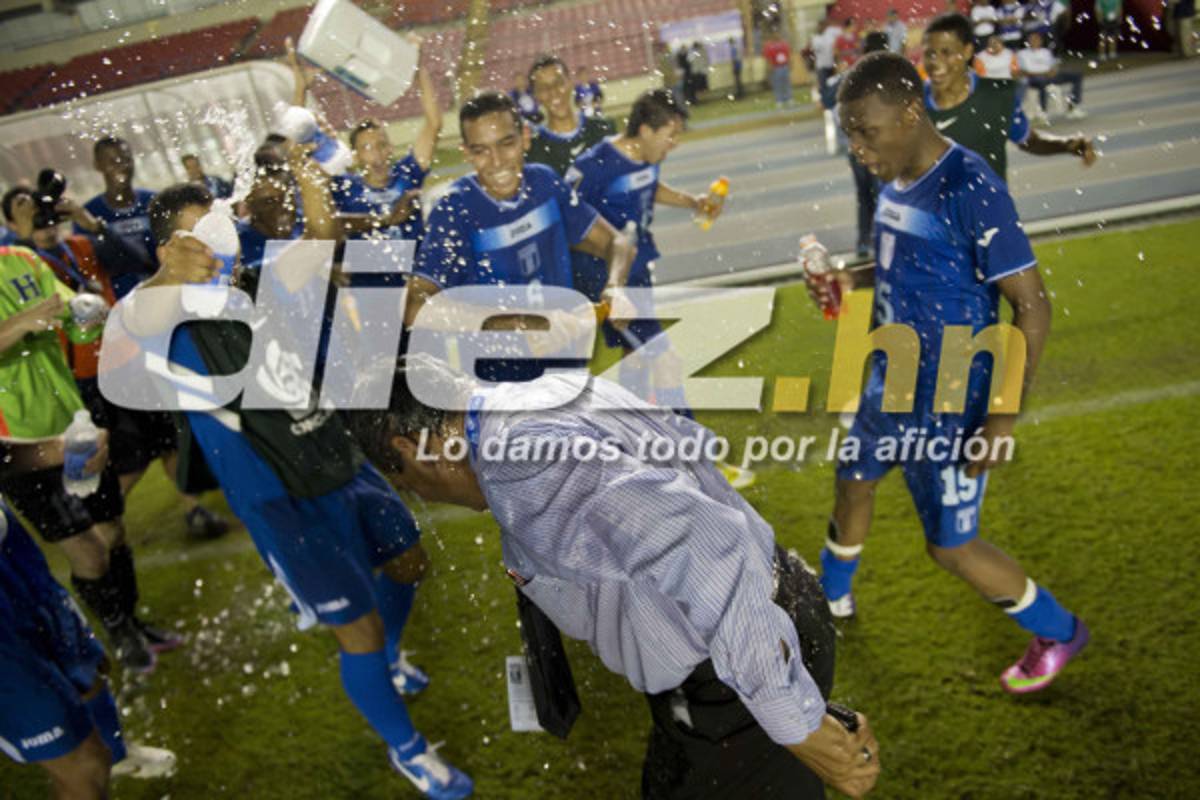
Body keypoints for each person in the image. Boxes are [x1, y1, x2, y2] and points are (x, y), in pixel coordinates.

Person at [346, 355, 882, 799]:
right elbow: (687, 447)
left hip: (729, 678)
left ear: (411, 450)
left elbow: (707, 548)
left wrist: (794, 721)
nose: (417, 496)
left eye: (403, 483)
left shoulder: (519, 468)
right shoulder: (544, 390)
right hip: (761, 621)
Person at [109, 175, 474, 799]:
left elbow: (322, 239)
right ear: (169, 246)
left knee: (410, 564)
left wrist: (306, 176)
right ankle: (408, 750)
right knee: (356, 630)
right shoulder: (158, 318)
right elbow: (131, 317)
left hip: (339, 456)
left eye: (218, 226)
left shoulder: (249, 283)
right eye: (197, 234)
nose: (215, 246)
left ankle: (387, 661)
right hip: (281, 498)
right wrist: (168, 275)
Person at [813, 51, 1090, 694]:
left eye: (866, 131)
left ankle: (1060, 630)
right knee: (853, 480)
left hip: (950, 399)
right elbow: (898, 265)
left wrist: (1001, 416)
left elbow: (1032, 303)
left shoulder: (970, 186)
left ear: (911, 112)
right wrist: (844, 281)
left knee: (950, 548)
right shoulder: (895, 174)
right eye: (849, 132)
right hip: (890, 381)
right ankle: (829, 602)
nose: (856, 147)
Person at [2, 186, 231, 540]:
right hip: (82, 377)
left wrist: (89, 223)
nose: (38, 213)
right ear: (12, 223)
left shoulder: (68, 248)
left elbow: (134, 258)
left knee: (168, 439)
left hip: (124, 357)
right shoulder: (29, 260)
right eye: (24, 208)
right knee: (126, 457)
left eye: (40, 206)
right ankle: (103, 517)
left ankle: (191, 509)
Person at [0, 242, 179, 674]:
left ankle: (133, 621)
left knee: (113, 531)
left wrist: (89, 315)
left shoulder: (20, 260)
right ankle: (119, 633)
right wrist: (21, 324)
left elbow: (72, 319)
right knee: (89, 552)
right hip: (18, 448)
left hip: (74, 423)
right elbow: (33, 322)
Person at [405, 90, 635, 378]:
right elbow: (415, 307)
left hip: (566, 372)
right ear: (466, 153)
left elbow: (617, 242)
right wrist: (519, 323)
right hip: (498, 390)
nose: (497, 161)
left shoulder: (545, 183)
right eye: (481, 151)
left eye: (506, 143)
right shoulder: (455, 209)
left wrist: (615, 287)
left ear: (525, 137)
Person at [0, 439, 176, 795]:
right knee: (84, 765)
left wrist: (59, 449)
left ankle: (119, 754)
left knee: (88, 671)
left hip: (16, 564)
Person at [922, 13, 1095, 182]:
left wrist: (1067, 144)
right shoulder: (912, 106)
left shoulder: (998, 97)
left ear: (967, 51)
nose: (936, 62)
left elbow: (1029, 141)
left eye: (946, 52)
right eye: (930, 54)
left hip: (991, 208)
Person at [332, 35, 442, 263]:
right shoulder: (344, 189)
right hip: (368, 291)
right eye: (367, 147)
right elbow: (329, 226)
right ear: (355, 155)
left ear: (391, 149)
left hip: (415, 283)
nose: (377, 154)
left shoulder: (407, 174)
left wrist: (418, 67)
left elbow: (434, 123)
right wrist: (386, 219)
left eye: (382, 145)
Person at [81, 137, 158, 299]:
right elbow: (90, 267)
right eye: (112, 161)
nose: (122, 166)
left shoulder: (154, 201)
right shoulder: (89, 213)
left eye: (126, 159)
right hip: (122, 302)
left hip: (166, 292)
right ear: (98, 165)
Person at [526, 55, 616, 176]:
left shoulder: (603, 128)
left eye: (559, 82)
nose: (553, 92)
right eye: (543, 88)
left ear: (570, 83)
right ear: (535, 96)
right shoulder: (533, 148)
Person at [1018, 31, 1087, 121]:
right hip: (1034, 78)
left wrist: (1053, 70)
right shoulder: (1023, 54)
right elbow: (1024, 71)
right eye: (1032, 39)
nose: (1035, 41)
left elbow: (1053, 64)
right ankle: (1043, 112)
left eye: (1037, 39)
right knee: (1041, 82)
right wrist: (1043, 73)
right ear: (1028, 41)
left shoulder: (1045, 52)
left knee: (1077, 75)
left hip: (1049, 76)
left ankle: (1073, 107)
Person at [763, 27, 794, 108]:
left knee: (786, 83)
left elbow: (788, 54)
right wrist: (770, 66)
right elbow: (768, 57)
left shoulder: (784, 43)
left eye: (778, 33)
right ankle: (779, 100)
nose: (777, 35)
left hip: (784, 66)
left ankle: (789, 99)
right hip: (776, 67)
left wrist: (790, 63)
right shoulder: (769, 45)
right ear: (772, 35)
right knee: (777, 84)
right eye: (775, 33)